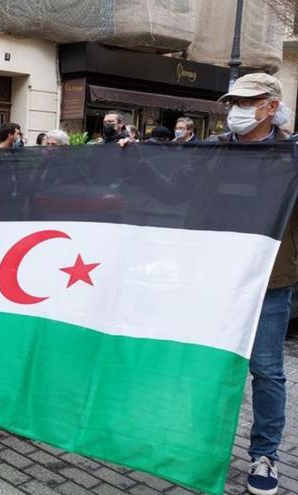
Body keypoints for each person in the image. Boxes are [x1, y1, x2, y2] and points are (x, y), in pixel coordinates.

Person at [211, 73, 294, 495]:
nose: (237, 110)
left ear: (272, 107)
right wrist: (133, 159)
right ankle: (202, 443)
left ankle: (265, 455)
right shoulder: (216, 149)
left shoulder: (292, 156)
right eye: (234, 102)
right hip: (217, 276)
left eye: (249, 102)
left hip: (269, 282)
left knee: (265, 370)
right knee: (210, 360)